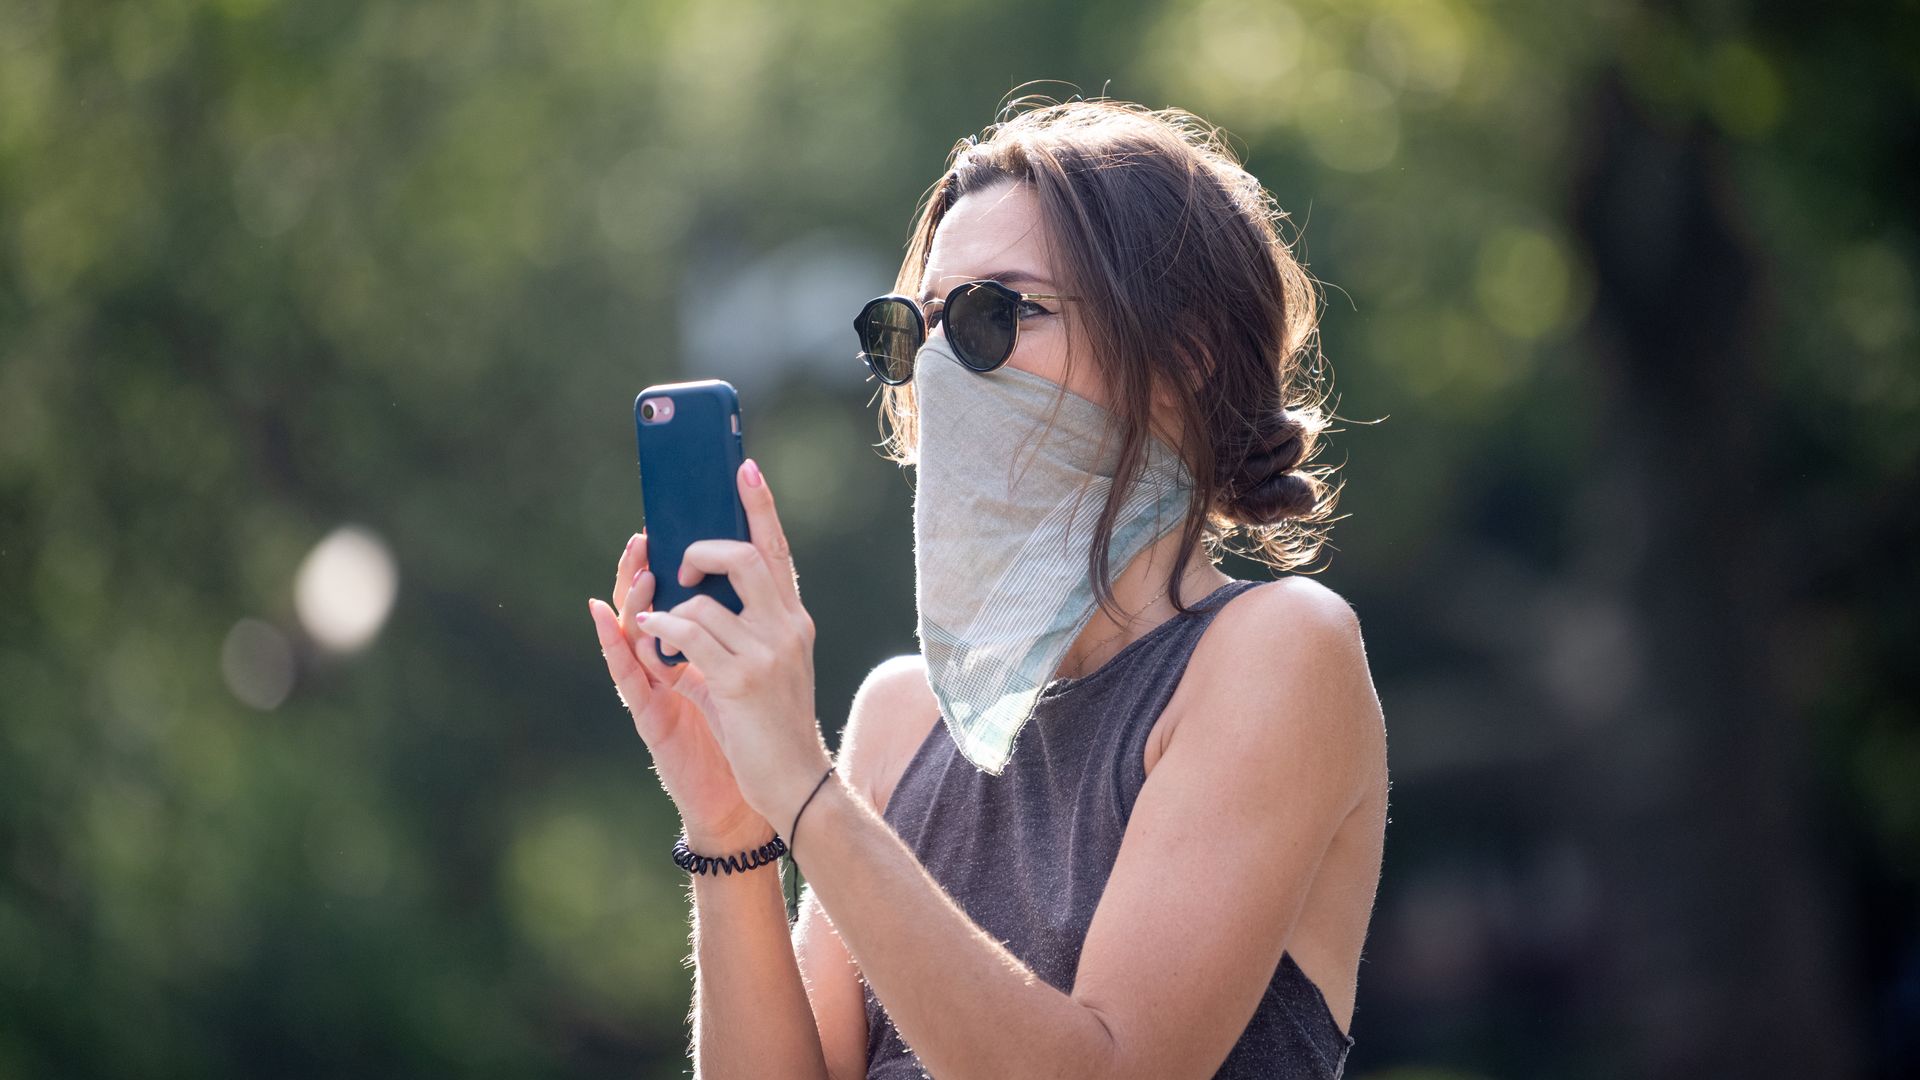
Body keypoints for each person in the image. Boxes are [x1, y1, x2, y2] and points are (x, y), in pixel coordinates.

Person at [586, 96, 1388, 1080]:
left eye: (992, 314)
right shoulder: (896, 717)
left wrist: (804, 788)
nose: (933, 368)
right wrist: (731, 826)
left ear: (1183, 354)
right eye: (910, 331)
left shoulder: (1280, 648)